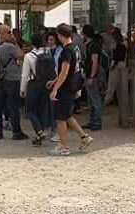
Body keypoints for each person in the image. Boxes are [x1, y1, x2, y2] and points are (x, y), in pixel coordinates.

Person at [49, 23, 93, 156]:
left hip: (65, 87)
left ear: (60, 35)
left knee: (60, 118)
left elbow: (65, 72)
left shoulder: (66, 51)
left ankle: (64, 146)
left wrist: (55, 88)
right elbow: (74, 69)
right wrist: (55, 80)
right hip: (73, 84)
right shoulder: (75, 47)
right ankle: (84, 137)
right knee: (67, 115)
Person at [0, 24, 28, 141]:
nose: (11, 34)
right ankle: (16, 132)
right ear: (3, 33)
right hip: (11, 78)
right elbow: (21, 56)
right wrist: (15, 42)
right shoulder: (9, 46)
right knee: (13, 106)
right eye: (9, 32)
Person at [20, 32, 54, 145]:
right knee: (42, 109)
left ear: (32, 43)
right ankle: (40, 133)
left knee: (30, 110)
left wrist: (22, 89)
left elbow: (25, 75)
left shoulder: (29, 56)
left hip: (34, 84)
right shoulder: (48, 53)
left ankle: (39, 132)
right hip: (46, 84)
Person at [81, 25, 104, 131]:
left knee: (95, 99)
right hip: (89, 74)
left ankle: (97, 122)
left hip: (92, 75)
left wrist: (92, 76)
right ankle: (92, 120)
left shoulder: (93, 46)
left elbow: (95, 62)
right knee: (91, 99)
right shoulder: (90, 45)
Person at [105, 27, 127, 106]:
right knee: (120, 85)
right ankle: (121, 102)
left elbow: (116, 56)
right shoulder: (124, 42)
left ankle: (107, 100)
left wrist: (113, 65)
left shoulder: (116, 43)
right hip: (123, 64)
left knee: (111, 84)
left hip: (116, 64)